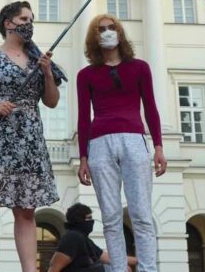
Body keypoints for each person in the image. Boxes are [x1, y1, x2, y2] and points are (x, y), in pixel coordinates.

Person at [0, 1, 64, 272]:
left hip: (29, 140)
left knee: (26, 209)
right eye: (23, 18)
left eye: (31, 19)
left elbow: (52, 101)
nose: (29, 23)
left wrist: (46, 72)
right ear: (8, 23)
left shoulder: (38, 60)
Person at [76, 14, 167, 272]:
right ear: (94, 37)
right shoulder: (86, 75)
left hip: (134, 140)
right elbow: (84, 117)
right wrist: (83, 157)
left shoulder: (139, 68)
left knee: (141, 214)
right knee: (111, 217)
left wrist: (158, 146)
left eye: (111, 28)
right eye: (101, 29)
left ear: (120, 33)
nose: (106, 32)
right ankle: (117, 269)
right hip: (100, 144)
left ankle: (148, 269)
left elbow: (150, 108)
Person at [48, 203, 137, 272]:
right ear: (79, 220)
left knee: (124, 268)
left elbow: (110, 258)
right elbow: (54, 266)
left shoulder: (84, 239)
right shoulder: (72, 237)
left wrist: (140, 259)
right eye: (89, 218)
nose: (92, 221)